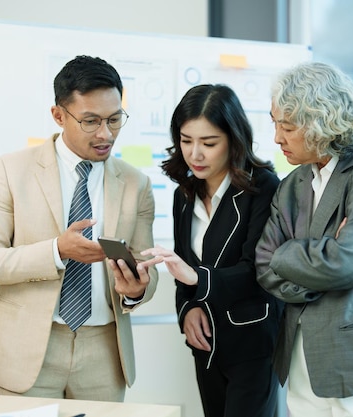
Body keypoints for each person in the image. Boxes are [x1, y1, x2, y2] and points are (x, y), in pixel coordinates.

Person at [0, 55, 158, 401]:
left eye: (115, 119)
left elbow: (145, 266)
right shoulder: (11, 170)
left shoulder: (135, 183)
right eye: (91, 121)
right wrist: (56, 251)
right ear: (58, 116)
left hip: (105, 353)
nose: (105, 133)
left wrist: (137, 289)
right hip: (27, 350)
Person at [255, 61, 353, 417]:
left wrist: (290, 255)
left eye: (288, 126)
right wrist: (321, 257)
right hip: (301, 358)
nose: (277, 138)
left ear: (320, 122)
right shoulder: (292, 185)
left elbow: (349, 263)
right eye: (275, 124)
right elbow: (266, 265)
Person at [138, 84, 282, 417]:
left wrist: (198, 282)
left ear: (234, 139)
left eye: (209, 143)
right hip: (205, 344)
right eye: (186, 141)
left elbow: (259, 270)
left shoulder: (263, 188)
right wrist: (187, 309)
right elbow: (181, 269)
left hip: (252, 344)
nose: (195, 154)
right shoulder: (184, 194)